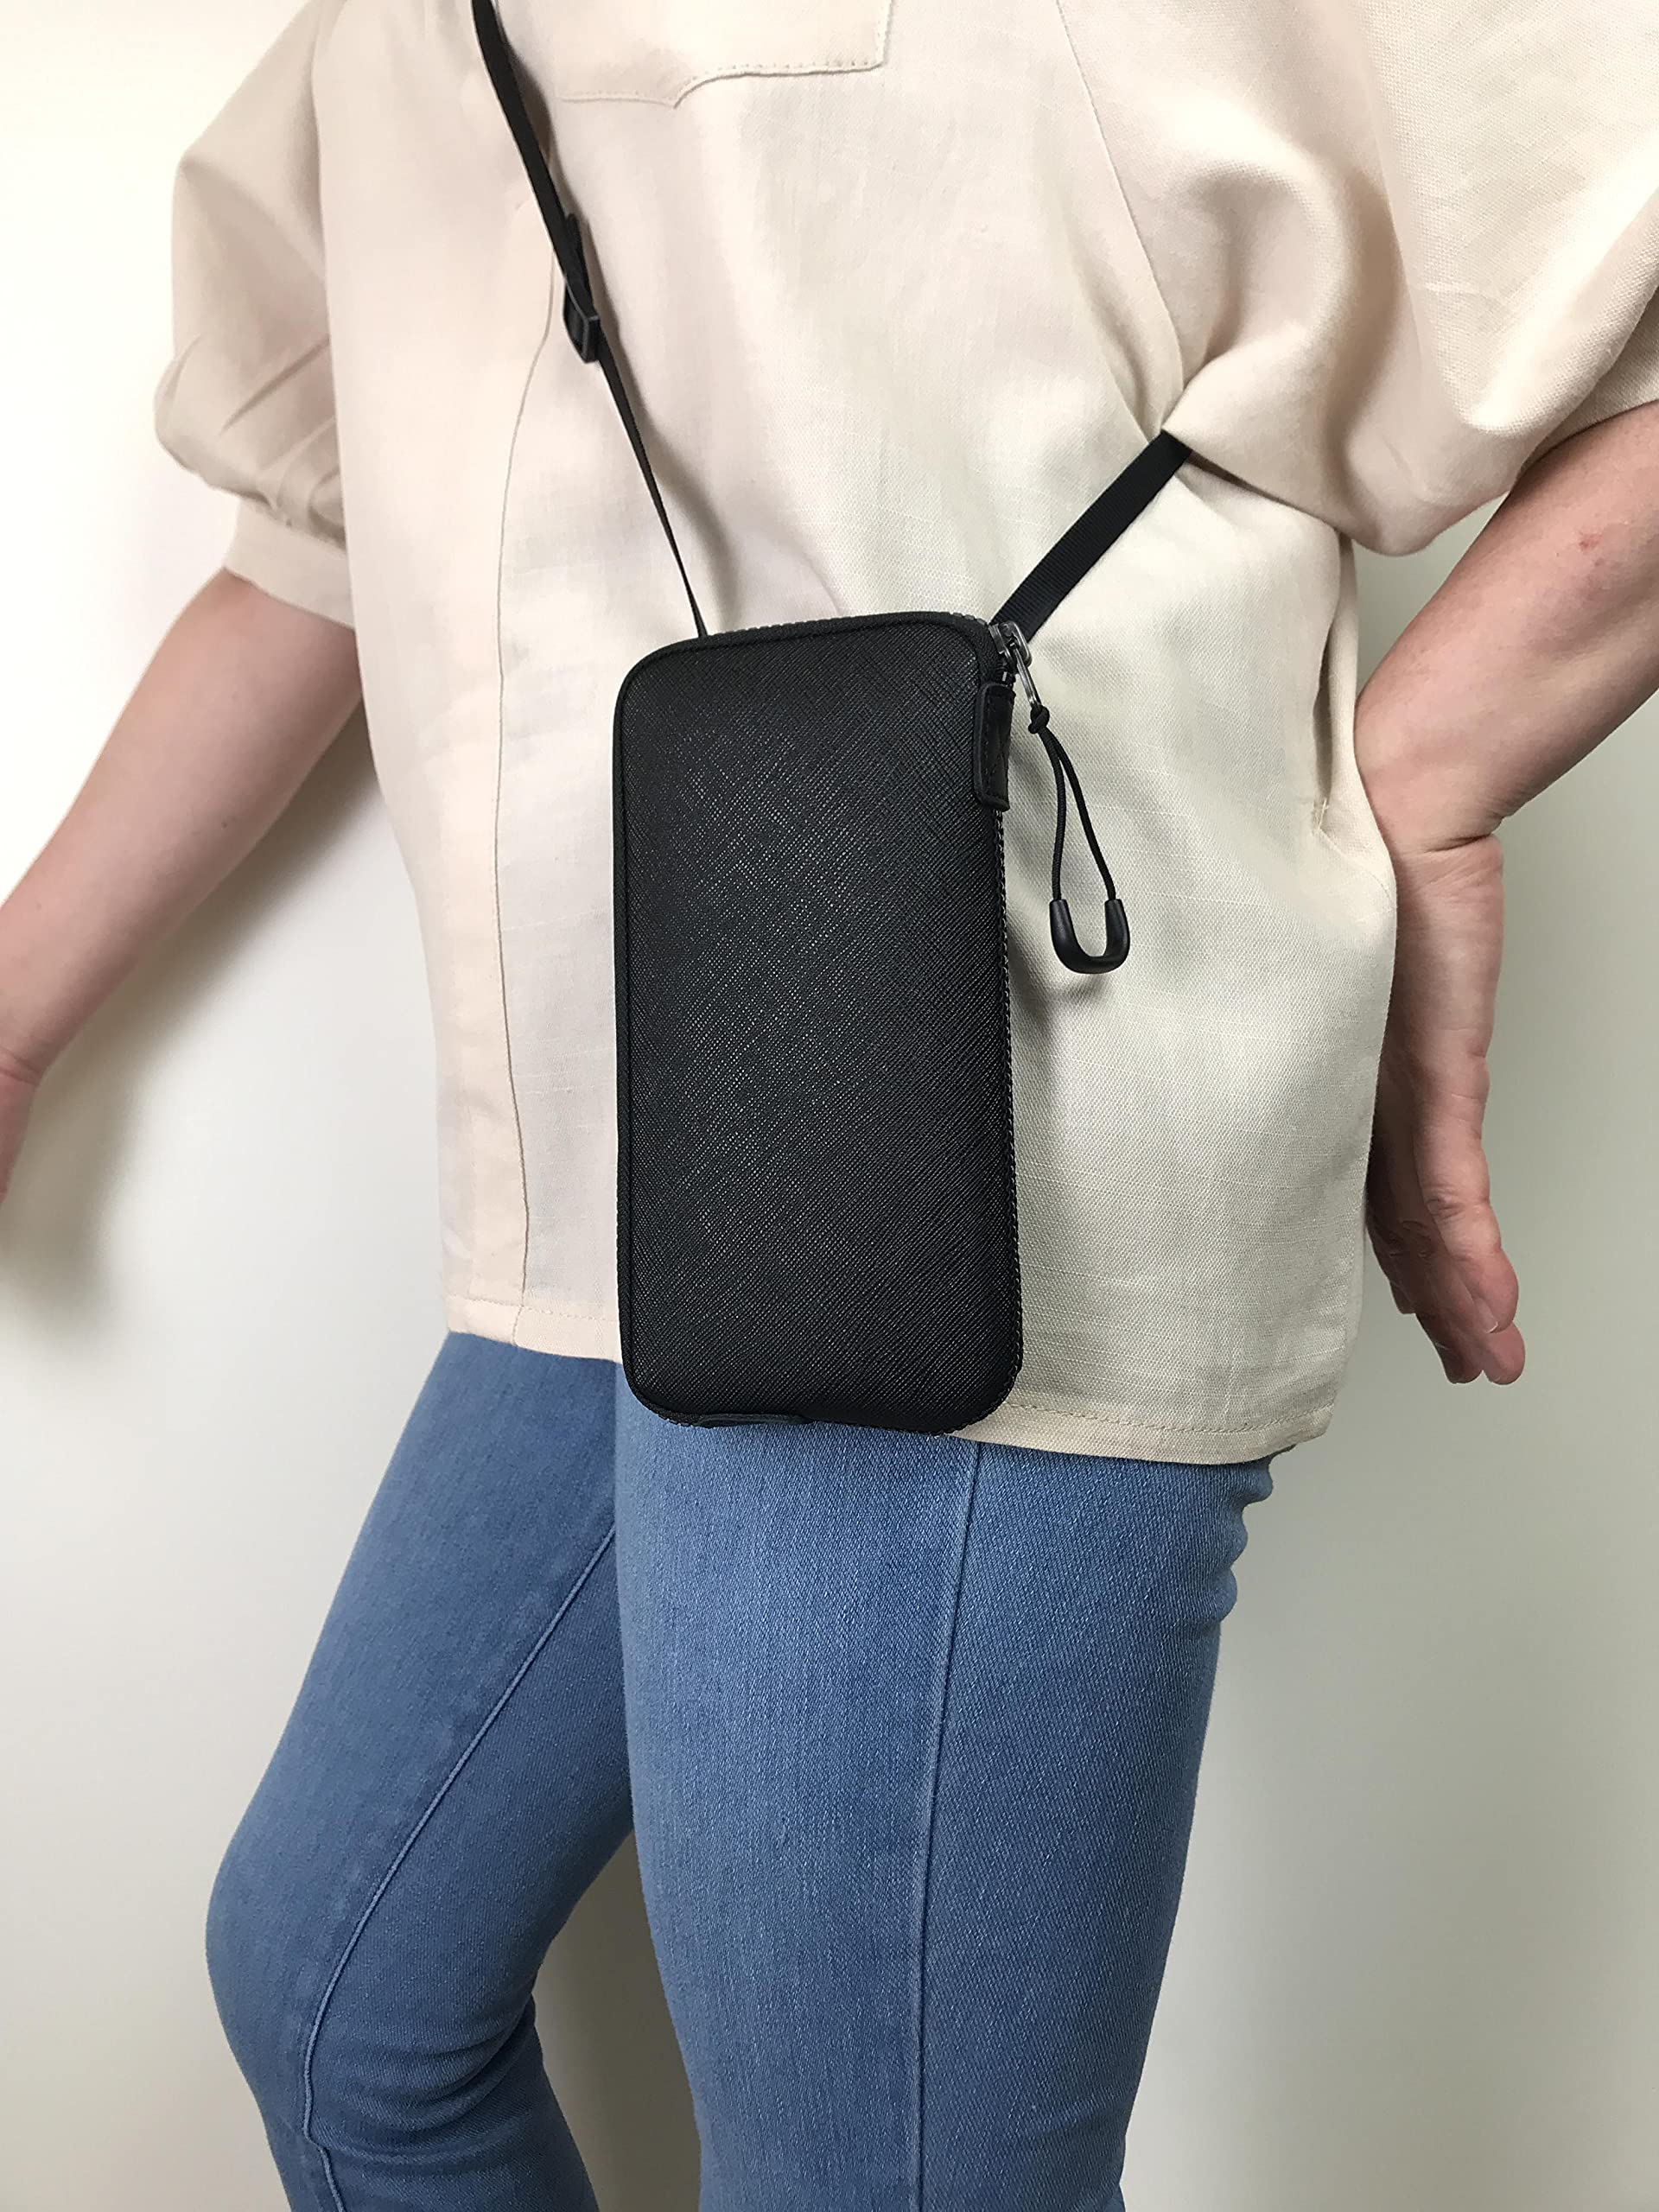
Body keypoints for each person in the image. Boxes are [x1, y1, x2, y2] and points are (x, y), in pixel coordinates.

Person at [3, 2, 1656, 2206]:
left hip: (993, 1147)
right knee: (343, 2000)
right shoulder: (378, 44)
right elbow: (311, 535)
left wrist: (1422, 789)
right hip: (616, 1163)